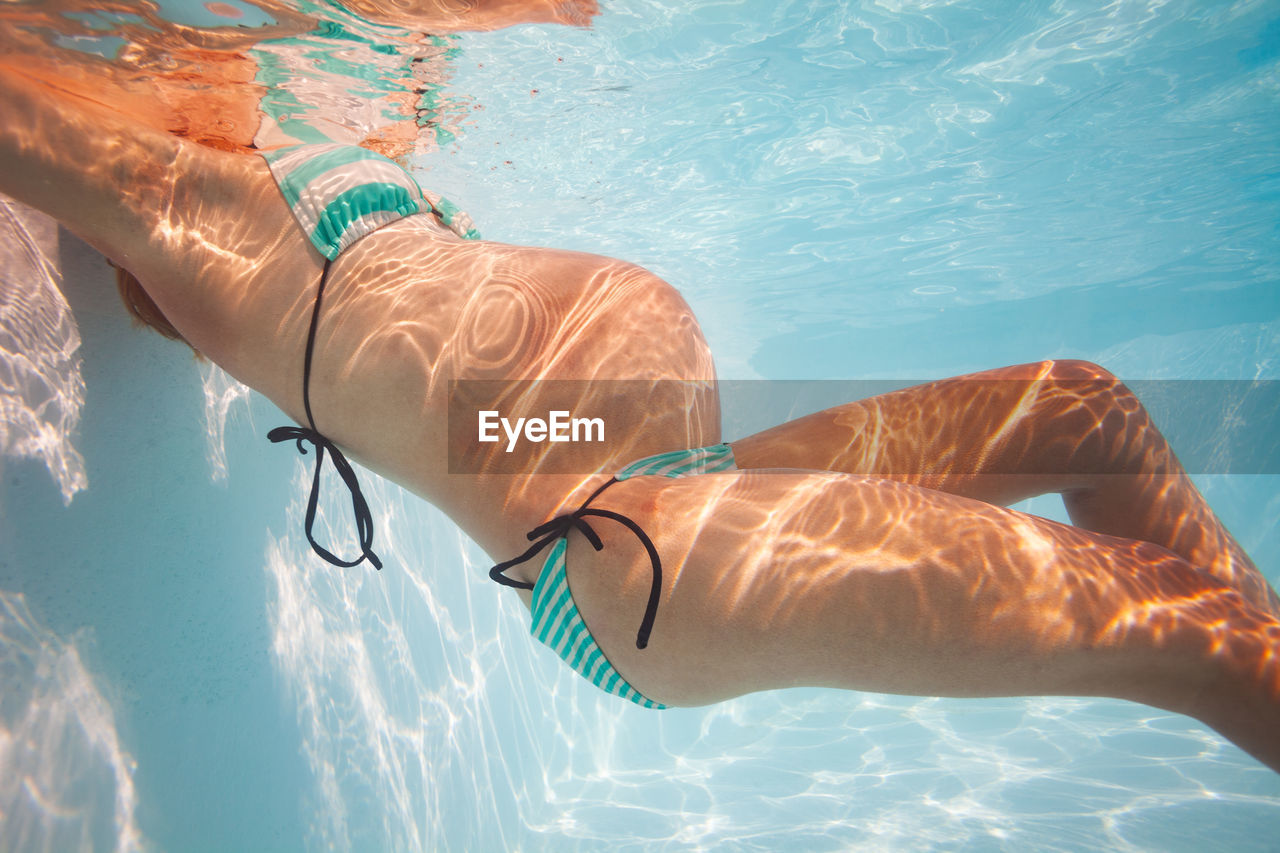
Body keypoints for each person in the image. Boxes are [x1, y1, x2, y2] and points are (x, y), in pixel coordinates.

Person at [1, 57, 1277, 768]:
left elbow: (475, 408)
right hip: (641, 550)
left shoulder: (272, 146)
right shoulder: (169, 190)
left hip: (680, 473)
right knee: (1201, 633)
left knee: (1082, 410)